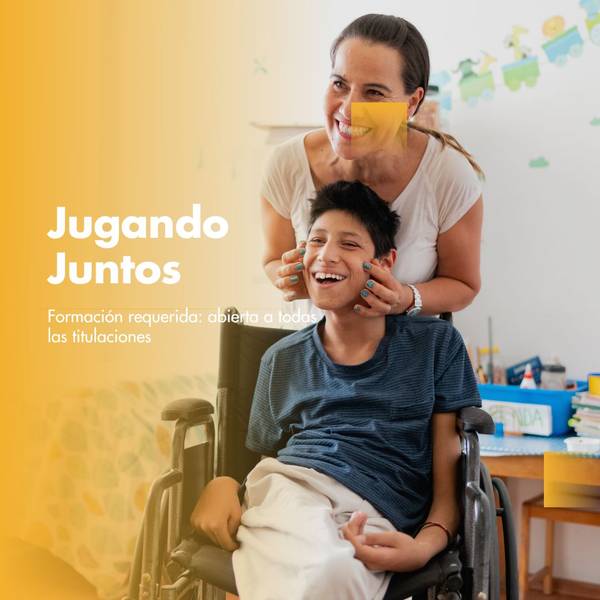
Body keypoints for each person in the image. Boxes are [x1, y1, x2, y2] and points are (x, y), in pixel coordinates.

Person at [191, 181, 481, 599]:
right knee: (326, 569)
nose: (326, 255)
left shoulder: (435, 346)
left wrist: (424, 546)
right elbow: (259, 462)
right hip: (291, 492)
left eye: (348, 244)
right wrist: (222, 484)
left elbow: (448, 483)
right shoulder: (281, 358)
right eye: (316, 241)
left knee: (335, 572)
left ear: (384, 262)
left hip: (380, 513)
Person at [261, 13, 483, 317]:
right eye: (340, 84)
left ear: (412, 103)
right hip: (314, 356)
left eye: (374, 93)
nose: (349, 108)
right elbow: (273, 260)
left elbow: (463, 284)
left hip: (407, 358)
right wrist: (287, 277)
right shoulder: (286, 164)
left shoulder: (448, 175)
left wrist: (406, 298)